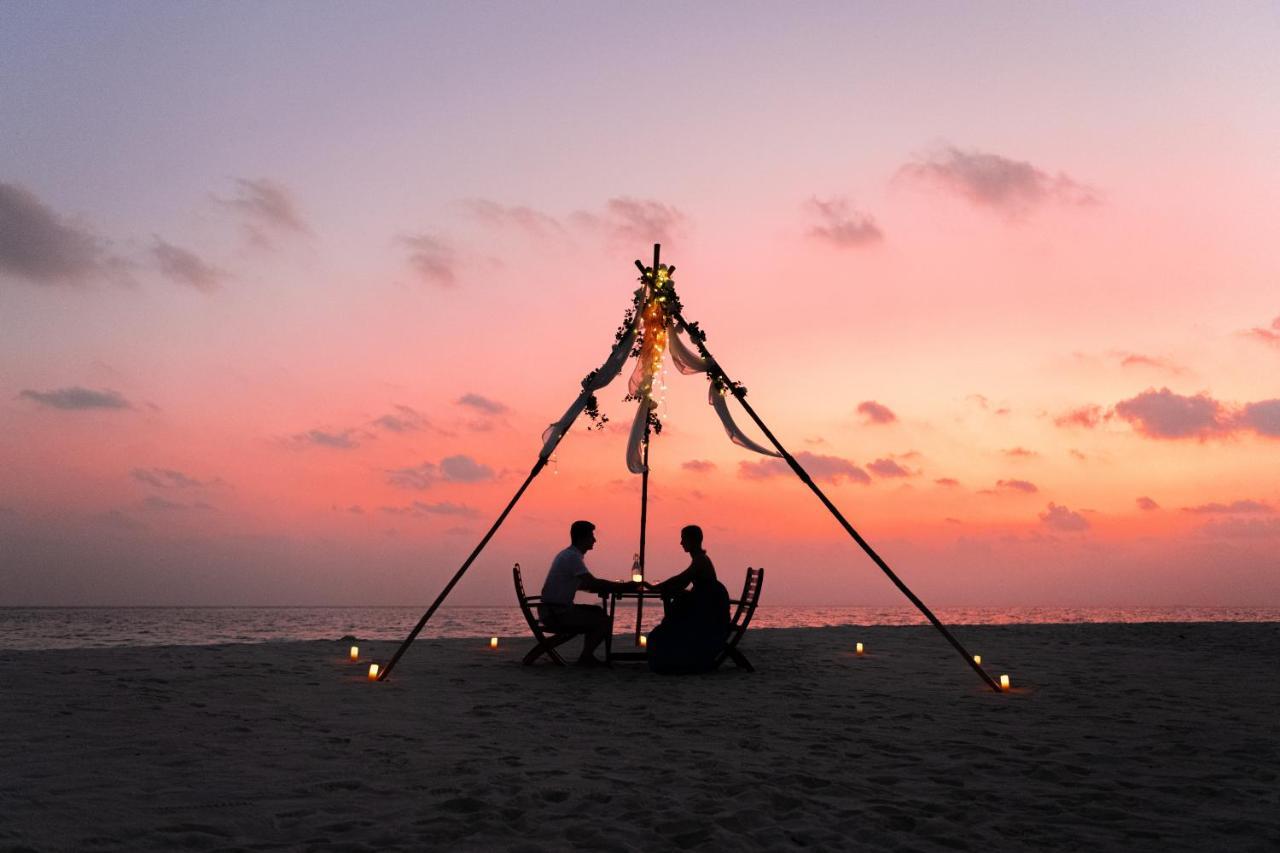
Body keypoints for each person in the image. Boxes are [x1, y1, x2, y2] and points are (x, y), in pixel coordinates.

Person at [540, 520, 640, 666]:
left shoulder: (568, 555)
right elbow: (592, 582)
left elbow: (584, 584)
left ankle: (587, 656)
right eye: (591, 536)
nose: (594, 540)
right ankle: (586, 657)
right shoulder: (572, 558)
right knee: (604, 621)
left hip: (552, 610)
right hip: (557, 614)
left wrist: (611, 586)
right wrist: (623, 587)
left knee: (597, 612)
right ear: (582, 538)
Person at [645, 525, 730, 674]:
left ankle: (669, 661)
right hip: (704, 611)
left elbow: (682, 579)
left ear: (692, 540)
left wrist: (655, 587)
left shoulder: (700, 561)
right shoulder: (699, 560)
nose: (681, 543)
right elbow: (682, 581)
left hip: (707, 617)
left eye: (683, 539)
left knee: (667, 628)